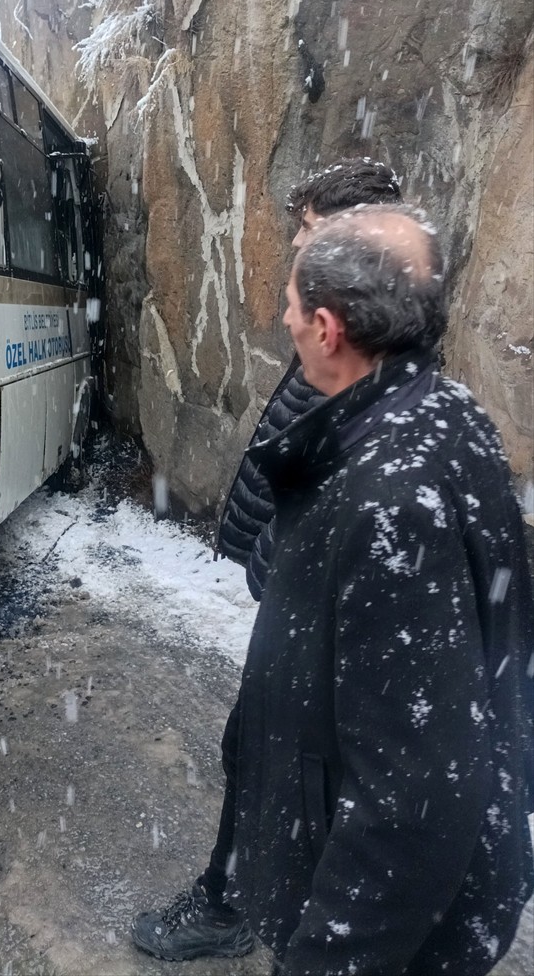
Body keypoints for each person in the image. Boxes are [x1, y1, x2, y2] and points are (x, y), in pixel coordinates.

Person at [134, 207, 534, 974]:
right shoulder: (441, 413)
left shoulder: (392, 500)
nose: (280, 317)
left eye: (288, 302)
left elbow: (414, 802)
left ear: (326, 328)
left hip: (409, 933)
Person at [217, 156, 402, 600]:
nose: (299, 240)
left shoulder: (365, 346)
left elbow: (328, 494)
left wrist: (269, 559)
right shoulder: (344, 316)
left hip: (302, 600)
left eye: (310, 227)